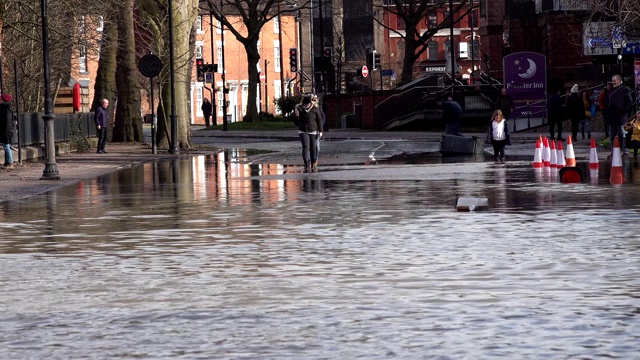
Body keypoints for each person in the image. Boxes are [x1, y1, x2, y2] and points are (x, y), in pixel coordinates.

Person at [294, 94, 323, 172]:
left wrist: (321, 131)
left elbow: (319, 120)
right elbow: (296, 122)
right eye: (305, 104)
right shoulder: (299, 109)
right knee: (306, 146)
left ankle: (314, 161)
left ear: (310, 103)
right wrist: (296, 116)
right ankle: (307, 163)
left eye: (308, 104)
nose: (306, 105)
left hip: (313, 130)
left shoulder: (315, 109)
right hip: (303, 130)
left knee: (313, 147)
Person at [607, 74, 633, 156]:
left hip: (621, 117)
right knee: (612, 135)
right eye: (612, 80)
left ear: (619, 80)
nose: (613, 82)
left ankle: (625, 150)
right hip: (612, 117)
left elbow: (629, 102)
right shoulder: (610, 91)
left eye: (614, 80)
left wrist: (624, 110)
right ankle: (613, 151)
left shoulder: (625, 90)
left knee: (623, 134)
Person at [0, 94, 15, 170]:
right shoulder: (5, 108)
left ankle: (10, 162)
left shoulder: (6, 109)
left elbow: (7, 121)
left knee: (6, 146)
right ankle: (8, 162)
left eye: (1, 99)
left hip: (6, 130)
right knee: (6, 146)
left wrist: (5, 130)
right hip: (6, 129)